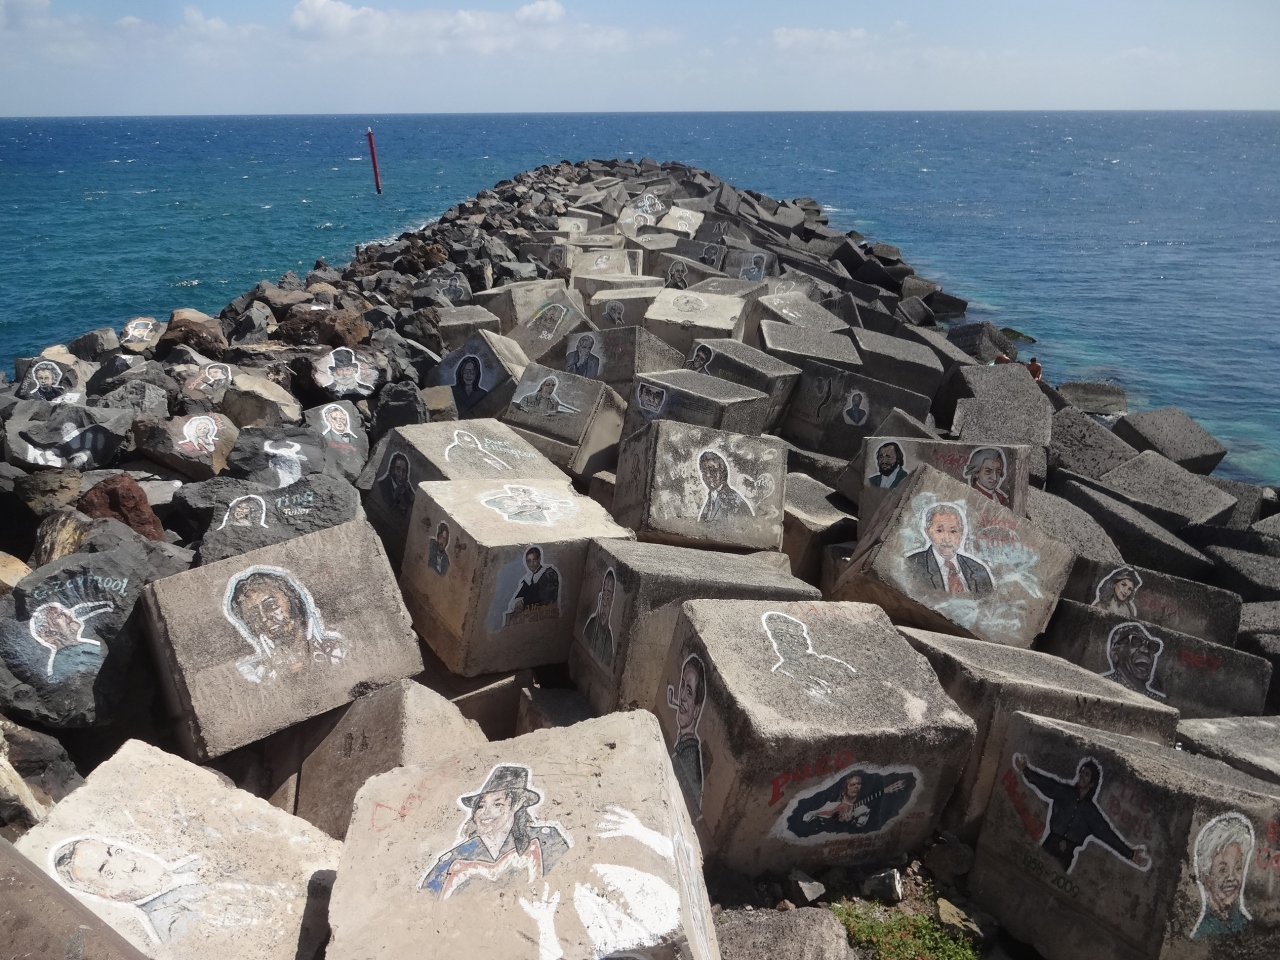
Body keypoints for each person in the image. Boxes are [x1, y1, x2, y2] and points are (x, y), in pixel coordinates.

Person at [419, 765, 570, 899]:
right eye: (480, 806)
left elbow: (569, 883)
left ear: (518, 803)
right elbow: (424, 902)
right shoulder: (453, 860)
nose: (485, 813)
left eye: (497, 804)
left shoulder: (546, 841)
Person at [1013, 754, 1150, 874]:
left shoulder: (1091, 813)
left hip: (1064, 858)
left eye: (1086, 775)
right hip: (1048, 846)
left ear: (1092, 784)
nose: (1082, 776)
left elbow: (1108, 835)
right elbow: (1046, 784)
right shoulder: (1065, 793)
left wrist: (1129, 853)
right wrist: (1025, 769)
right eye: (1082, 772)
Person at [223, 565, 347, 683]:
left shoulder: (336, 649)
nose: (264, 618)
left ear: (293, 601)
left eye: (271, 605)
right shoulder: (254, 672)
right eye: (254, 615)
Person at [761, 611, 855, 706]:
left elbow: (855, 683)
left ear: (804, 641)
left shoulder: (828, 664)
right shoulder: (782, 672)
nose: (786, 643)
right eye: (779, 639)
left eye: (793, 638)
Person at [905, 503, 994, 596]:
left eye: (953, 531)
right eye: (939, 531)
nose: (947, 539)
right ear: (927, 532)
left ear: (961, 533)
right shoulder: (912, 566)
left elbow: (989, 604)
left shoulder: (978, 570)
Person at [789, 770, 914, 837]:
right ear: (846, 787)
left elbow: (860, 829)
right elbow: (808, 815)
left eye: (858, 784)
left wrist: (851, 822)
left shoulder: (863, 808)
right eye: (852, 784)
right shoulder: (830, 804)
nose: (856, 787)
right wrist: (813, 815)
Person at [1192, 813, 1255, 939]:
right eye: (1223, 870)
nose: (1232, 877)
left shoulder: (1247, 927)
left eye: (1238, 868)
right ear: (1205, 877)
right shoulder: (1203, 935)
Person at [27, 601, 112, 678]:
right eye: (59, 615)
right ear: (48, 634)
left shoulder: (87, 647)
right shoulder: (65, 663)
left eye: (65, 611)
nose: (68, 614)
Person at [667, 654, 706, 809]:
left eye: (689, 692)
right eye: (682, 685)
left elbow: (691, 807)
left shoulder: (690, 754)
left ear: (697, 711)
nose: (682, 696)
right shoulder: (683, 745)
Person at [1101, 622, 1166, 698]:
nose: (1146, 650)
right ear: (1115, 653)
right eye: (1137, 642)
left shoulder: (1157, 701)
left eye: (1151, 646)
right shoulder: (1100, 687)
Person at [697, 451, 754, 523]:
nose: (708, 475)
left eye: (712, 470)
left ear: (722, 472)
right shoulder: (710, 498)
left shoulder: (734, 501)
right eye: (704, 471)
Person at [509, 546, 559, 619]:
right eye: (529, 561)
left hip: (545, 613)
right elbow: (520, 595)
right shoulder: (528, 579)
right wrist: (518, 602)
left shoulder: (548, 574)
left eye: (534, 559)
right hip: (531, 615)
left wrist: (524, 602)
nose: (531, 563)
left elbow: (544, 597)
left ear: (539, 559)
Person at [582, 568, 616, 667]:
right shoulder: (591, 624)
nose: (604, 603)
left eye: (608, 597)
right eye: (604, 595)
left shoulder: (609, 639)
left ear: (612, 601)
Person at [443, 429, 509, 471]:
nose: (474, 444)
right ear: (461, 443)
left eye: (473, 442)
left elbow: (494, 461)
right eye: (470, 442)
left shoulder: (477, 451)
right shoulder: (454, 451)